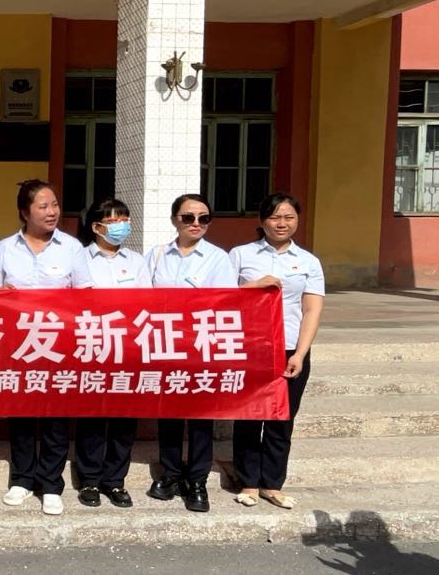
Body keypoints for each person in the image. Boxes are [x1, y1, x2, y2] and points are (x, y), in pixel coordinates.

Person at [0, 179, 94, 517]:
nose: (52, 212)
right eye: (43, 206)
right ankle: (22, 478)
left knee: (55, 416)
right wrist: (2, 295)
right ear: (25, 212)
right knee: (21, 413)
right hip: (19, 343)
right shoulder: (6, 248)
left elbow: (85, 295)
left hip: (59, 344)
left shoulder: (72, 248)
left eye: (55, 205)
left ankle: (51, 483)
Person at [229, 193, 325, 510]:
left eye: (288, 217)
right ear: (262, 220)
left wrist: (300, 354)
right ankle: (248, 482)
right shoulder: (241, 254)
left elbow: (311, 310)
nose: (281, 223)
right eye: (274, 217)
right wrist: (252, 286)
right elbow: (221, 296)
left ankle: (272, 484)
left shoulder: (308, 262)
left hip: (290, 348)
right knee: (249, 417)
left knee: (282, 418)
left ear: (297, 221)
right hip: (250, 348)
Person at [144, 192, 237, 513]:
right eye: (188, 217)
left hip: (202, 346)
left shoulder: (218, 258)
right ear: (174, 220)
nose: (196, 223)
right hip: (165, 345)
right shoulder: (157, 255)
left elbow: (223, 302)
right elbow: (141, 298)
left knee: (200, 418)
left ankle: (197, 480)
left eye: (203, 218)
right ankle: (170, 473)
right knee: (168, 414)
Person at [74, 197, 150, 509]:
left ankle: (115, 480)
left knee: (124, 418)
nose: (121, 226)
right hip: (92, 345)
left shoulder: (137, 261)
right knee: (92, 417)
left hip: (129, 347)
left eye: (124, 219)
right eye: (114, 220)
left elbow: (147, 303)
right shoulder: (80, 258)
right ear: (96, 227)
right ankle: (89, 479)